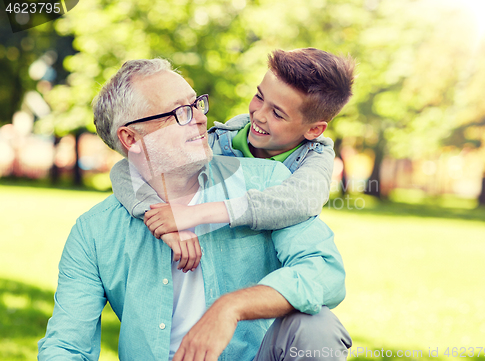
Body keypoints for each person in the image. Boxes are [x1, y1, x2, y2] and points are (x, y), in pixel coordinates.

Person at [38, 59, 352, 361]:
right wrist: (156, 216)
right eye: (180, 113)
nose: (201, 119)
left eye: (196, 104)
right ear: (130, 137)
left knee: (316, 326)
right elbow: (66, 346)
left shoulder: (269, 181)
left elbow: (326, 273)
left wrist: (231, 306)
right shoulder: (95, 231)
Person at [110, 48, 356, 271]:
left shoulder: (315, 156)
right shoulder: (220, 141)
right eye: (259, 97)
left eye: (277, 114)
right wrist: (163, 222)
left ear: (313, 130)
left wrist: (194, 214)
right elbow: (126, 170)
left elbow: (299, 201)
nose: (258, 115)